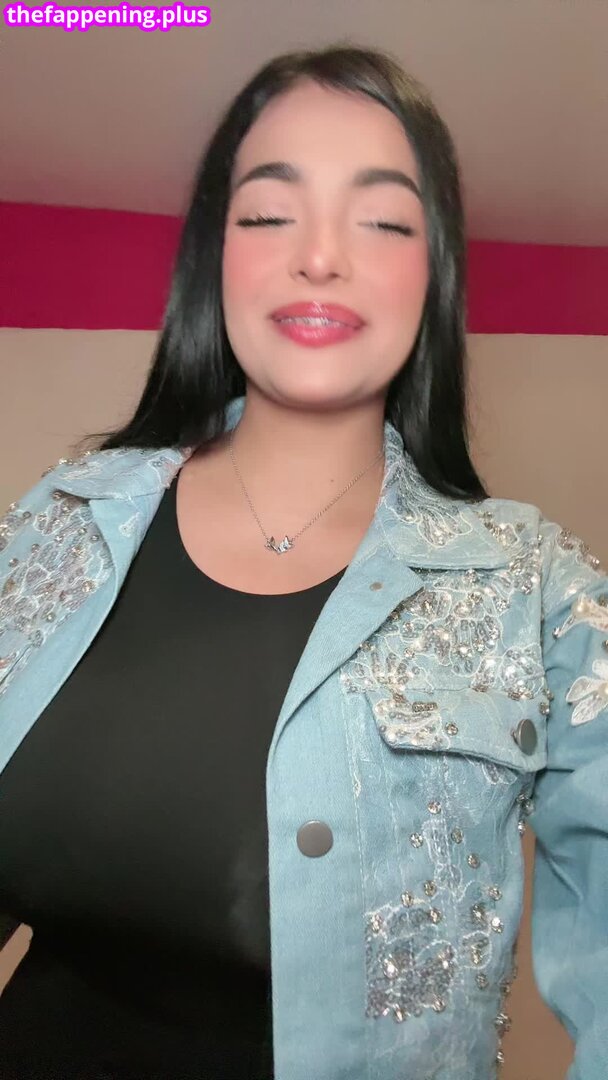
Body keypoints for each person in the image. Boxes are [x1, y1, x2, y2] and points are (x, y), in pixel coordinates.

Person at [0, 41, 606, 1080]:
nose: (319, 257)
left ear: (434, 273)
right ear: (214, 257)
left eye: (382, 221)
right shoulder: (59, 522)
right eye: (269, 215)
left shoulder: (537, 594)